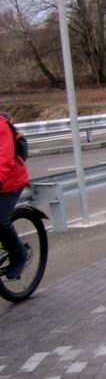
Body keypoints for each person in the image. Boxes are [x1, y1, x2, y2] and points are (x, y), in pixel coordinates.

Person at [0, 115, 29, 279]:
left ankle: (19, 253)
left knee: (0, 221)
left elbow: (4, 157)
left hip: (9, 182)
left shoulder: (1, 126)